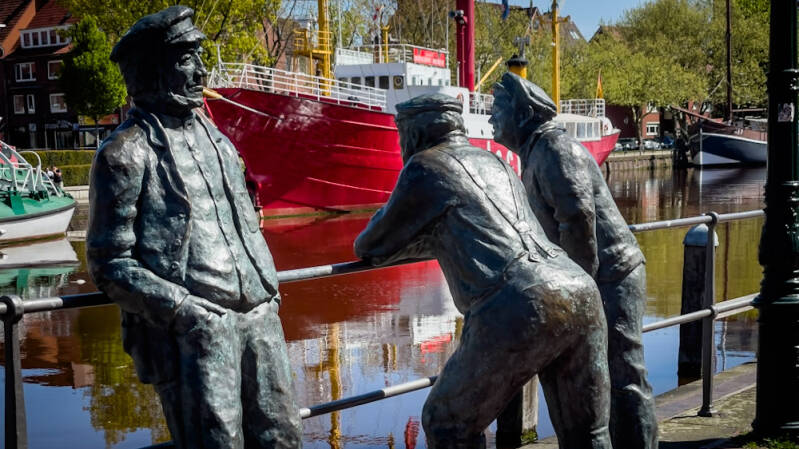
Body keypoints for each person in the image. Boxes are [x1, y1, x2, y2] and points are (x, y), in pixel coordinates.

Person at [86, 6, 301, 448]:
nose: (202, 71)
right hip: (198, 333)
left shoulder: (218, 140)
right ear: (153, 69)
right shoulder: (124, 153)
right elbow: (108, 262)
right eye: (187, 59)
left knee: (284, 438)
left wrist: (270, 291)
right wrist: (184, 310)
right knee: (218, 441)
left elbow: (243, 222)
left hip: (261, 318)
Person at [355, 94, 612, 449]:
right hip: (577, 287)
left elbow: (371, 246)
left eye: (401, 135)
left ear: (414, 133)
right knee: (588, 433)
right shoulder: (496, 161)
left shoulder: (425, 167)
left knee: (446, 422)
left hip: (518, 303)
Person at [490, 72, 658, 449]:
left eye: (497, 109)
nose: (490, 118)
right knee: (598, 381)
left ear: (522, 114)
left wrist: (579, 295)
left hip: (612, 275)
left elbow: (578, 221)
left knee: (624, 374)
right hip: (594, 277)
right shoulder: (536, 151)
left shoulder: (554, 149)